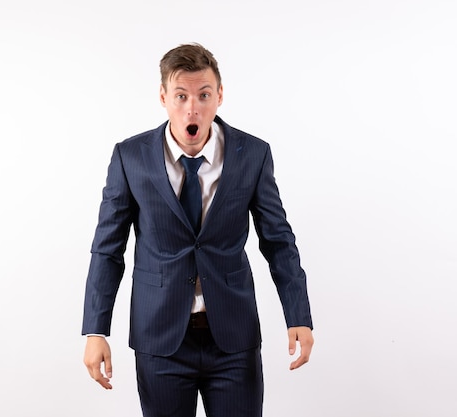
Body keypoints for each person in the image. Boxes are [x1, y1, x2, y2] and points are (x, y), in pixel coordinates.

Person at [82, 43, 314, 417]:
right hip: (160, 340)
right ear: (163, 97)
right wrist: (96, 330)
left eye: (204, 95)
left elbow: (278, 240)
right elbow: (108, 249)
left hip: (233, 339)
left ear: (219, 96)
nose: (193, 108)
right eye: (181, 96)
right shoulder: (130, 158)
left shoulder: (252, 155)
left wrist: (298, 314)